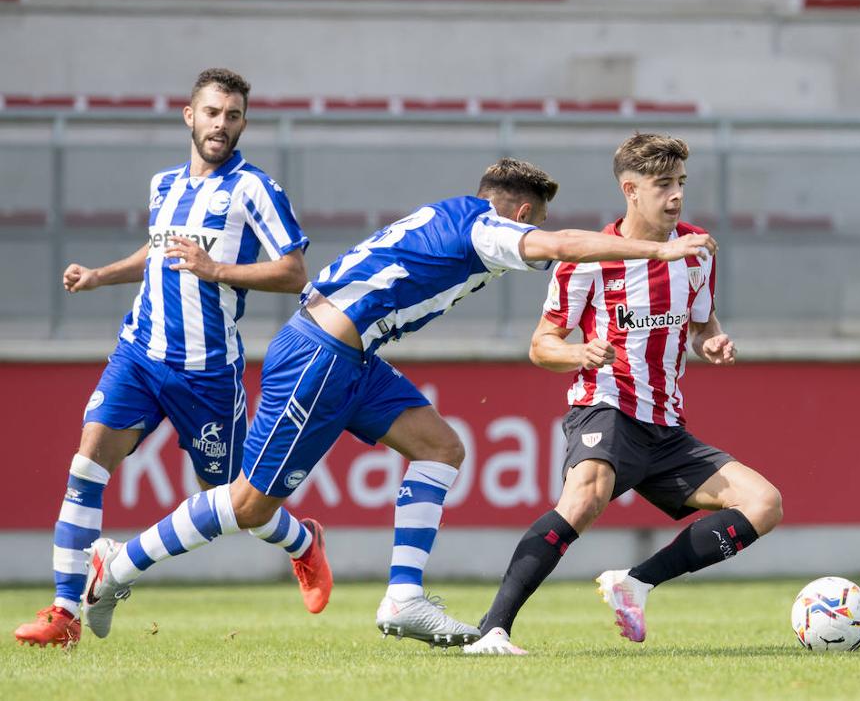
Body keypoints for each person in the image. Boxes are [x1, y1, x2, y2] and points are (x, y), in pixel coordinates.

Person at [76, 157, 717, 647]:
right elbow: (562, 247)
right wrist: (660, 248)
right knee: (249, 502)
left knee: (441, 447)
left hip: (353, 356)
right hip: (320, 355)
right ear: (520, 211)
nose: (537, 234)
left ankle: (403, 598)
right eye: (536, 221)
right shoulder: (490, 230)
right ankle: (117, 562)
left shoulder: (450, 211)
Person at [14, 68, 333, 648]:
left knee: (242, 502)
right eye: (212, 112)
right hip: (139, 354)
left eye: (233, 116)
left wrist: (218, 271)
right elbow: (157, 252)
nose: (222, 125)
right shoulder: (164, 184)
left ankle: (304, 543)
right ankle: (64, 614)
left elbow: (294, 272)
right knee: (87, 464)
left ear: (243, 123)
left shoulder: (254, 189)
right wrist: (98, 276)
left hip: (208, 372)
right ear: (190, 115)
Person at [466, 133, 783, 656]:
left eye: (680, 182)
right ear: (630, 190)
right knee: (585, 497)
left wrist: (713, 342)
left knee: (763, 504)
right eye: (663, 185)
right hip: (605, 405)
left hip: (666, 427)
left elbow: (702, 326)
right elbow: (542, 345)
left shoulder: (696, 252)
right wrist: (580, 354)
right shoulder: (589, 260)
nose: (676, 195)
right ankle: (492, 628)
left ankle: (635, 584)